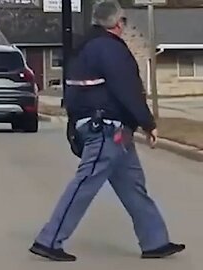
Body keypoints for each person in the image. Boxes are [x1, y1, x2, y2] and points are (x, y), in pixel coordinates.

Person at [29, 0, 185, 262]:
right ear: (116, 23)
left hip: (106, 128)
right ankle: (49, 239)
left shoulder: (84, 48)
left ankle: (155, 241)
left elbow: (74, 93)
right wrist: (148, 123)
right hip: (106, 128)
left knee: (133, 187)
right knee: (85, 184)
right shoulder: (110, 49)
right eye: (123, 21)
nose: (124, 25)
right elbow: (127, 90)